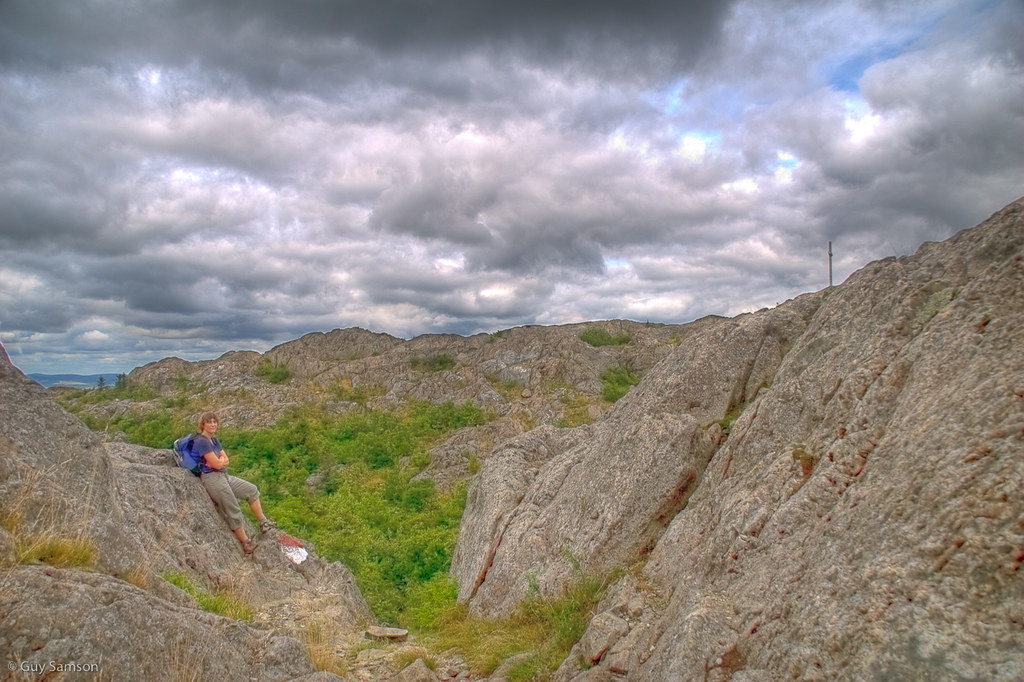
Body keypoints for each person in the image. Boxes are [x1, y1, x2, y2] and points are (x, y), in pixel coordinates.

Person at [193, 412, 275, 555]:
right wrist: (220, 461)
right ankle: (246, 543)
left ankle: (264, 523)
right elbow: (217, 464)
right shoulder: (202, 441)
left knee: (252, 490)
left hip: (223, 475)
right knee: (233, 508)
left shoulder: (214, 440)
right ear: (203, 424)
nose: (213, 424)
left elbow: (225, 460)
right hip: (211, 478)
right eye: (209, 422)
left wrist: (221, 461)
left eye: (214, 421)